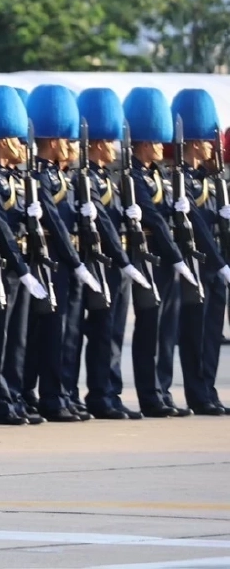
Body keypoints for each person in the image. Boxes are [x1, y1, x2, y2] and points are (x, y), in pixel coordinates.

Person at [0, 87, 48, 426]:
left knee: (17, 337)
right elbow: (0, 227)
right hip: (2, 264)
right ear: (2, 141)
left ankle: (13, 394)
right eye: (17, 140)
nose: (23, 147)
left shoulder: (19, 179)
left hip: (22, 263)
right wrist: (20, 265)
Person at [24, 85, 99, 422]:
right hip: (54, 260)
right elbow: (53, 223)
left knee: (71, 333)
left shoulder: (63, 176)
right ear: (54, 141)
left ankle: (65, 393)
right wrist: (76, 261)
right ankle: (53, 397)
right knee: (54, 333)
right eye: (67, 142)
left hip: (71, 260)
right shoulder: (39, 177)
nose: (72, 148)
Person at [75, 88, 150, 420]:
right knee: (101, 332)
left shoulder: (110, 179)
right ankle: (100, 394)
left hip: (116, 260)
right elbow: (99, 221)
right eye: (111, 140)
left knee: (115, 332)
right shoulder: (85, 178)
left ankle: (111, 391)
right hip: (99, 260)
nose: (116, 147)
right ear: (98, 142)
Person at [123, 87, 195, 418]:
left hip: (168, 256)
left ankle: (163, 390)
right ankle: (149, 394)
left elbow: (168, 214)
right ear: (142, 140)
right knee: (150, 326)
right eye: (154, 139)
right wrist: (176, 256)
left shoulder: (160, 175)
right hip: (149, 254)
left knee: (167, 328)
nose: (160, 145)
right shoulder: (133, 175)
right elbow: (151, 218)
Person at [168, 89, 230, 416]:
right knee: (194, 333)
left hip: (215, 265)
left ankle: (208, 389)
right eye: (208, 140)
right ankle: (197, 393)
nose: (213, 145)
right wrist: (220, 263)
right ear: (194, 142)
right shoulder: (181, 182)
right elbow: (197, 226)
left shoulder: (211, 181)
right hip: (196, 263)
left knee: (211, 333)